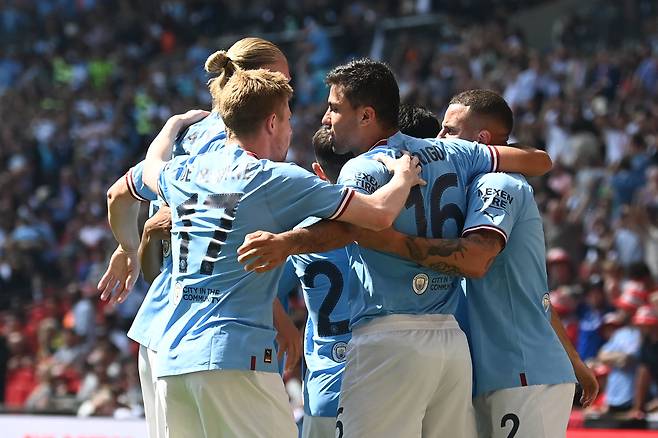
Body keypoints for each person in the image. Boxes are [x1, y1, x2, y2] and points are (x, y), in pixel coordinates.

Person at [238, 59, 552, 437]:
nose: (326, 118)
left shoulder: (362, 169)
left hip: (387, 338)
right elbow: (539, 160)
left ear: (366, 115)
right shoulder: (454, 152)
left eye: (335, 108)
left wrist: (286, 242)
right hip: (450, 343)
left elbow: (347, 230)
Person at [139, 66, 424, 437]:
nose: (291, 130)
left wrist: (173, 125)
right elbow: (379, 214)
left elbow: (151, 167)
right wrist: (403, 176)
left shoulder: (185, 171)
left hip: (173, 362)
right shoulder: (275, 178)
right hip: (234, 358)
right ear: (272, 123)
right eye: (288, 119)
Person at [97, 37, 299, 438]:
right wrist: (280, 319)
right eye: (285, 80)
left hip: (163, 331)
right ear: (264, 79)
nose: (290, 90)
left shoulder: (189, 134)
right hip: (213, 339)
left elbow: (118, 195)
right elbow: (224, 249)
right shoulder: (243, 144)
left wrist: (127, 246)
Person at [357, 89, 590, 437]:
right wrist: (574, 360)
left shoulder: (496, 182)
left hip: (521, 371)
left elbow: (475, 260)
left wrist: (391, 242)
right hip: (494, 371)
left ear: (480, 140)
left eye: (449, 130)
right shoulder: (461, 190)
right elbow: (536, 296)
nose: (439, 138)